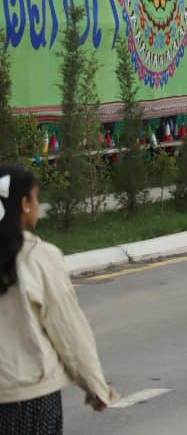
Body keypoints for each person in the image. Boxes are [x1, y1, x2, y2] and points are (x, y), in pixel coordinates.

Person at [0, 165, 118, 430]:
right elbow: (67, 327)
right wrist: (95, 385)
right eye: (36, 198)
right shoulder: (39, 257)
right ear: (24, 204)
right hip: (31, 398)